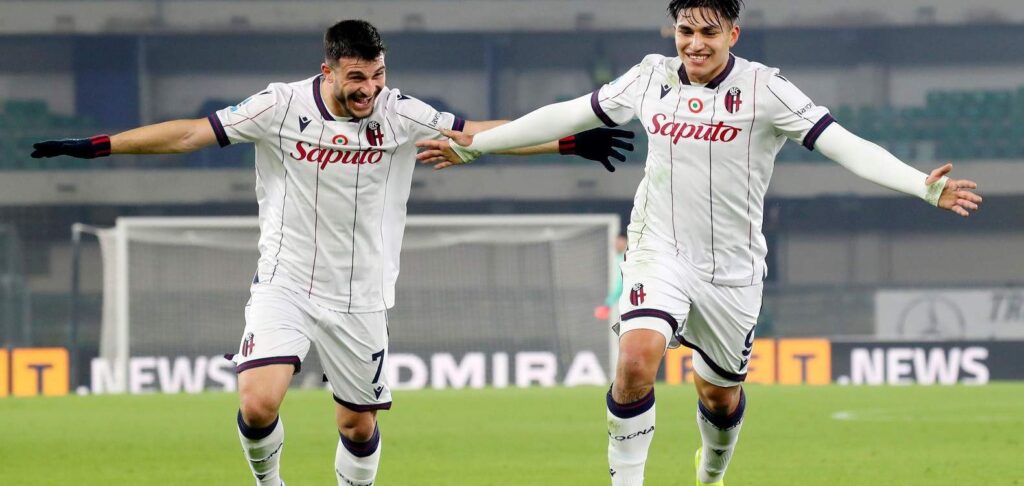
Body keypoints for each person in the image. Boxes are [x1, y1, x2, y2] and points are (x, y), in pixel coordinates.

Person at [30, 19, 633, 486]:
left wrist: (569, 140)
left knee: (357, 424)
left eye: (377, 76)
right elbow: (190, 132)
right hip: (284, 283)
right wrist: (98, 146)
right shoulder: (279, 107)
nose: (369, 89)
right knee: (259, 401)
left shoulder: (400, 114)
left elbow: (478, 135)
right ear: (328, 70)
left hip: (361, 297)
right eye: (356, 78)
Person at [414, 1, 983, 484]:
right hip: (659, 249)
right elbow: (565, 114)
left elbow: (843, 144)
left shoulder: (767, 88)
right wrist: (479, 146)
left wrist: (919, 185)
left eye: (709, 32)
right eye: (686, 31)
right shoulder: (649, 76)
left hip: (733, 271)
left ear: (733, 34)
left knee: (719, 399)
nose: (695, 44)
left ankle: (710, 469)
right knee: (636, 359)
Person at [595, 234, 628, 321]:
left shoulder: (626, 259)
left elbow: (621, 284)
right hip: (622, 302)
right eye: (615, 242)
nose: (615, 244)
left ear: (626, 242)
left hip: (629, 303)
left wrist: (608, 304)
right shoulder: (618, 258)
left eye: (618, 241)